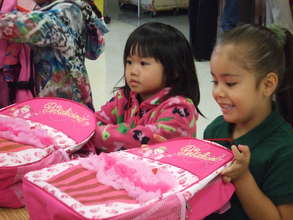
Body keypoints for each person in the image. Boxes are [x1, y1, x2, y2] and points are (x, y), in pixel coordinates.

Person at [204, 24, 293, 219]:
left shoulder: (285, 150)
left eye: (230, 83)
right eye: (215, 81)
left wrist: (243, 178)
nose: (218, 92)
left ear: (267, 84)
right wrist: (175, 160)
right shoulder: (216, 129)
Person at [87, 22, 202, 153]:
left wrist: (93, 134)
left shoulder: (180, 109)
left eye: (143, 63)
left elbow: (138, 140)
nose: (133, 71)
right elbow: (94, 121)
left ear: (174, 70)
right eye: (129, 62)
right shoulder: (125, 97)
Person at [0, 0, 108, 110]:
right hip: (51, 100)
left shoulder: (68, 10)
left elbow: (35, 27)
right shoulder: (44, 7)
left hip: (66, 106)